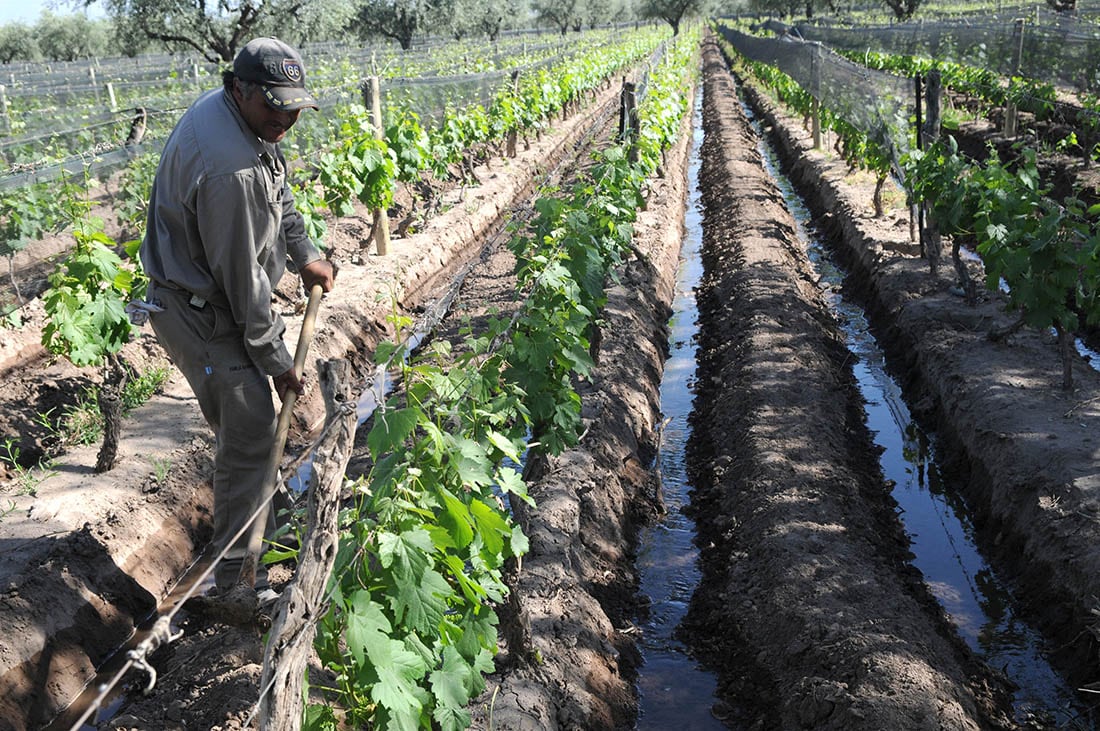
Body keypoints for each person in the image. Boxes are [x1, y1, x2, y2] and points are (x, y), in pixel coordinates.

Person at [140, 37, 336, 594]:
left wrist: (306, 255)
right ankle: (235, 582)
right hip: (199, 311)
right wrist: (277, 362)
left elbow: (280, 193)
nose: (287, 118)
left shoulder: (245, 125)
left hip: (212, 294)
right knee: (250, 428)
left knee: (251, 431)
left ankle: (263, 548)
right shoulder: (230, 168)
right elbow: (245, 282)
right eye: (275, 105)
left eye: (294, 106)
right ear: (239, 89)